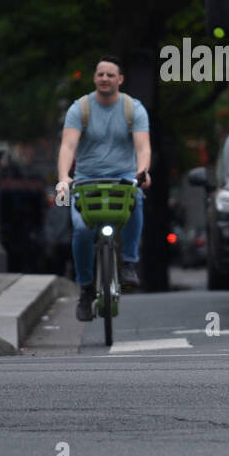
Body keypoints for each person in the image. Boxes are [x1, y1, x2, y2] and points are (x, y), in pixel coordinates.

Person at [55, 56, 151, 322]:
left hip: (123, 177)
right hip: (87, 180)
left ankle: (130, 262)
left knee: (136, 201)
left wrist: (142, 171)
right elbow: (68, 147)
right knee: (83, 230)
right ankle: (86, 289)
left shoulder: (134, 108)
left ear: (120, 79)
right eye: (100, 74)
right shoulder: (80, 109)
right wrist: (64, 176)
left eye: (110, 75)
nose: (105, 79)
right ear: (95, 78)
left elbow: (143, 147)